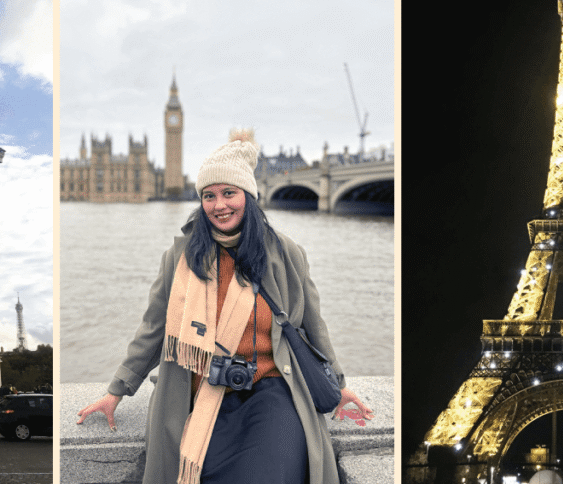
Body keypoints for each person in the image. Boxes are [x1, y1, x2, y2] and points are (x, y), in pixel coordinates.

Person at [76, 130, 373, 484]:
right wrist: (116, 391)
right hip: (200, 387)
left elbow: (313, 325)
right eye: (209, 196)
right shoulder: (180, 258)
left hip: (271, 386)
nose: (220, 205)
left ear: (249, 195)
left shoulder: (286, 254)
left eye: (229, 193)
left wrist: (337, 386)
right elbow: (153, 330)